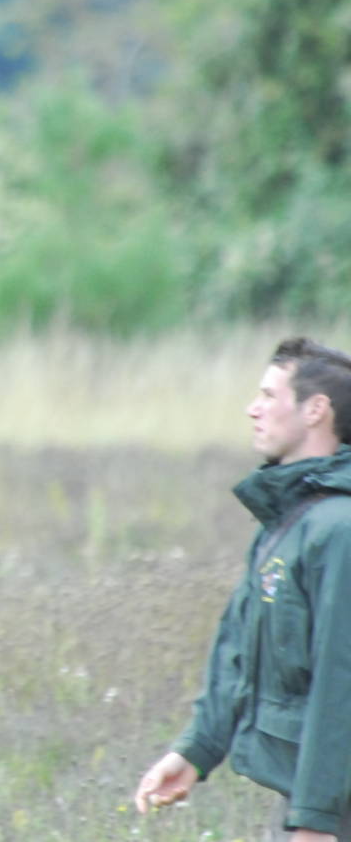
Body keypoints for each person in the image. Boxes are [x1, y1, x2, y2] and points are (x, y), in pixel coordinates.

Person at [135, 337, 351, 841]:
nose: (252, 409)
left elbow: (342, 680)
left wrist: (315, 819)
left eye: (269, 396)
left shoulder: (339, 530)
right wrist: (197, 749)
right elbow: (240, 642)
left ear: (316, 410)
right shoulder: (290, 519)